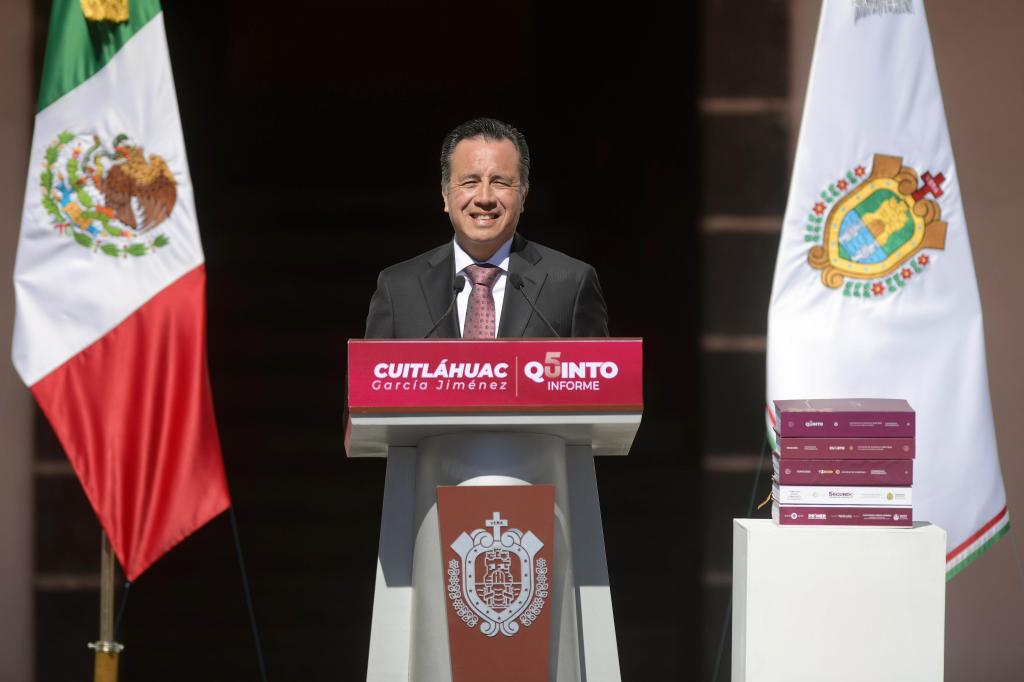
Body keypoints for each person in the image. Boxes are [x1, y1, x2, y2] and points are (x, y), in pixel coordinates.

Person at [364, 117, 609, 339]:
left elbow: (599, 373)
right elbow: (368, 375)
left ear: (523, 196)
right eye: (470, 182)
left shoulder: (571, 284)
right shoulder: (397, 288)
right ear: (445, 195)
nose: (484, 198)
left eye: (500, 182)